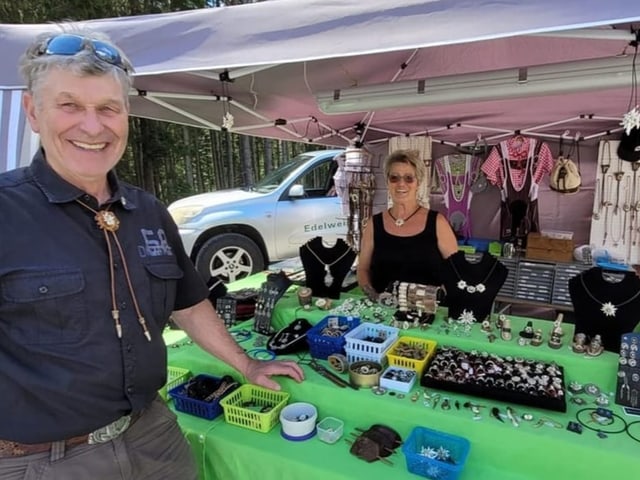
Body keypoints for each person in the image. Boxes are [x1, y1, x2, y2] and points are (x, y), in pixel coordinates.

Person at [0, 29, 303, 480]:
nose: (92, 126)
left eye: (108, 108)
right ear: (33, 112)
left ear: (126, 115)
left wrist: (246, 362)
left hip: (153, 434)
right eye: (70, 106)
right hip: (45, 460)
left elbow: (189, 302)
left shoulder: (148, 211)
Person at [357, 150, 458, 298]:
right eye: (394, 178)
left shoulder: (437, 222)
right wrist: (372, 296)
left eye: (409, 178)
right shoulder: (375, 224)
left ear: (418, 182)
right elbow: (363, 269)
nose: (401, 184)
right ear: (387, 182)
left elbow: (456, 269)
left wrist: (439, 298)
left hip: (426, 313)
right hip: (382, 312)